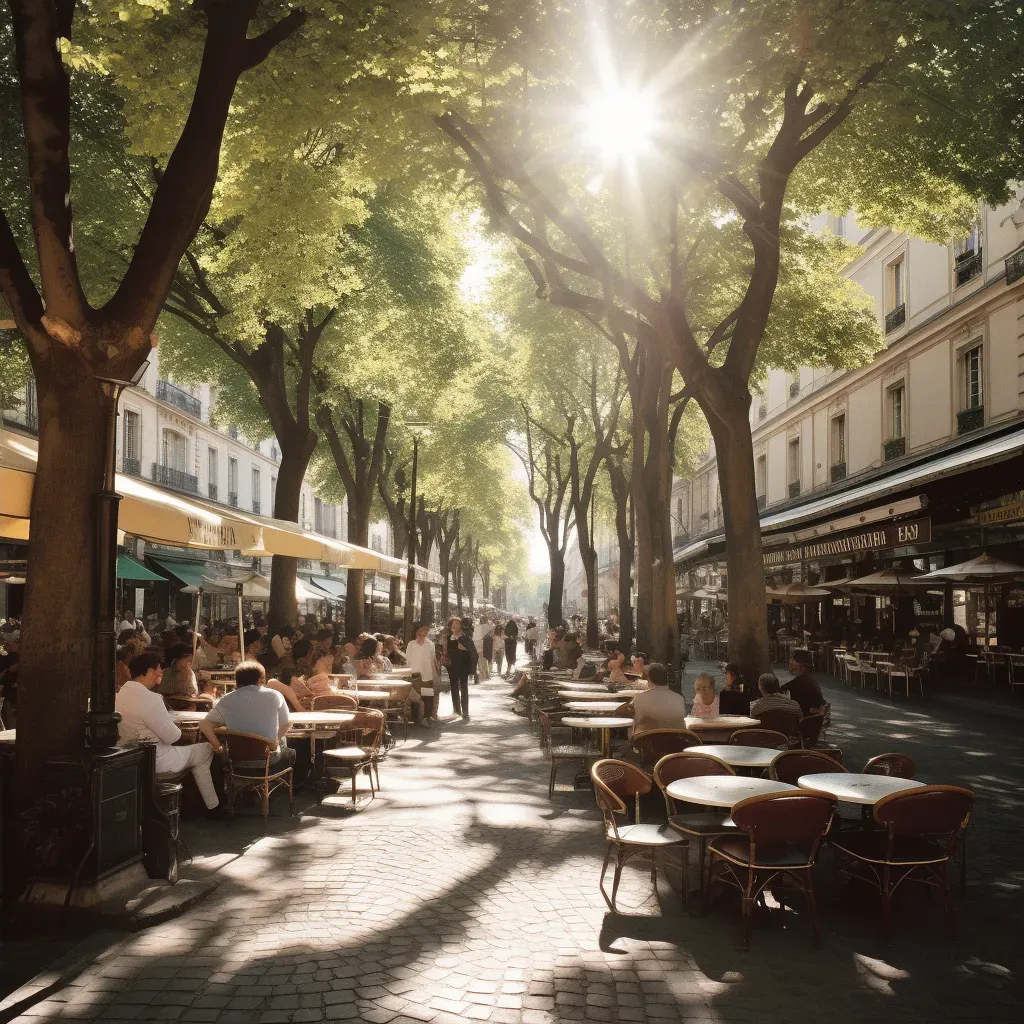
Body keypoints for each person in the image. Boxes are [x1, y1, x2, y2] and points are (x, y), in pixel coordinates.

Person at [116, 652, 220, 812]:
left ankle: (200, 804)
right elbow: (173, 736)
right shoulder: (151, 698)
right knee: (205, 750)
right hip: (156, 762)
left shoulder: (118, 696)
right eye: (159, 669)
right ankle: (212, 806)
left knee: (194, 751)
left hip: (129, 761)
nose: (160, 673)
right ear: (150, 671)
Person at [199, 660, 295, 771]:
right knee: (290, 752)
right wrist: (275, 742)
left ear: (237, 681)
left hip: (236, 762)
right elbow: (287, 723)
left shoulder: (226, 699)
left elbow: (204, 724)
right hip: (269, 761)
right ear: (260, 679)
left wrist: (218, 748)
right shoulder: (275, 695)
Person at [630, 662, 687, 735]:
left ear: (649, 679)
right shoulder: (680, 699)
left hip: (645, 743)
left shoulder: (639, 699)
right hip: (676, 743)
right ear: (666, 679)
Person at [443, 616, 477, 720]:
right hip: (452, 667)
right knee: (454, 688)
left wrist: (465, 649)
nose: (454, 625)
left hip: (464, 666)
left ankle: (465, 711)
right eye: (452, 624)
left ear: (460, 626)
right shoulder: (448, 638)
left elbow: (473, 653)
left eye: (457, 623)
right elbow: (445, 652)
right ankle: (457, 710)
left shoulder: (466, 638)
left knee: (464, 687)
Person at [406, 622, 440, 723]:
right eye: (420, 633)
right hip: (415, 674)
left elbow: (433, 660)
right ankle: (415, 717)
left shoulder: (430, 644)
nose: (422, 635)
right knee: (415, 696)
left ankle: (427, 717)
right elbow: (408, 659)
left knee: (428, 696)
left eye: (425, 633)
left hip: (427, 674)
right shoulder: (411, 644)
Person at [784, 651, 825, 716]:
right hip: (813, 721)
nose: (789, 662)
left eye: (792, 660)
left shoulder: (794, 685)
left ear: (801, 666)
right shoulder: (812, 681)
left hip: (801, 721)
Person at [473, 616, 491, 681]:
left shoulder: (477, 627)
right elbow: (492, 628)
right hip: (482, 644)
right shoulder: (485, 626)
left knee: (480, 660)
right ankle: (486, 675)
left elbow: (474, 636)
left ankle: (483, 675)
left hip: (477, 644)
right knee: (484, 660)